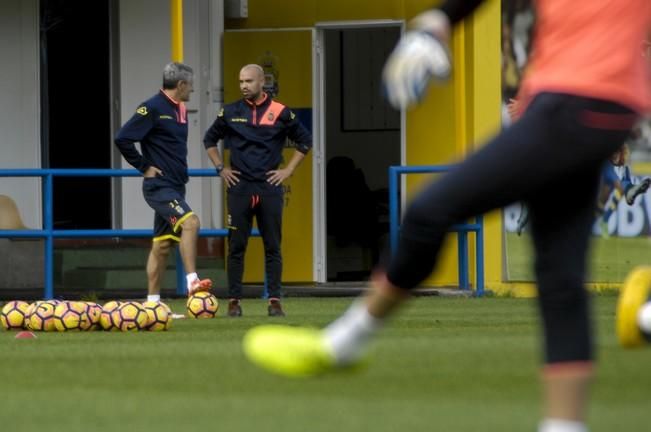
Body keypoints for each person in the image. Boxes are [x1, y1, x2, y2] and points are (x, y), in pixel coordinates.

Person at [242, 2, 651, 432]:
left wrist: (435, 24)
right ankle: (564, 425)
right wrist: (437, 23)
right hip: (587, 106)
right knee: (559, 273)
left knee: (428, 212)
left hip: (574, 104)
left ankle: (347, 341)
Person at [203, 64, 312, 317]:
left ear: (262, 82)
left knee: (272, 246)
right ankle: (233, 302)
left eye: (249, 81)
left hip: (269, 188)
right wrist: (221, 168)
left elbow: (305, 141)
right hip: (239, 188)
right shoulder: (229, 111)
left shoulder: (281, 112)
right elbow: (209, 140)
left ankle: (274, 300)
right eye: (241, 81)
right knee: (236, 247)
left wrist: (288, 171)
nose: (244, 86)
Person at [115, 62, 212, 302]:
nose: (192, 90)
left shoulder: (179, 109)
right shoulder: (152, 108)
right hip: (159, 187)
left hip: (176, 186)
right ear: (180, 85)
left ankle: (152, 303)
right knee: (191, 223)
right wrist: (143, 166)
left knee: (161, 245)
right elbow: (122, 138)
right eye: (190, 86)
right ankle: (193, 282)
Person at [596, 143, 651, 237]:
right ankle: (602, 214)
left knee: (619, 189)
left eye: (617, 153)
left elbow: (626, 175)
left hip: (612, 181)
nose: (615, 155)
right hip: (605, 172)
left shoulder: (624, 157)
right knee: (617, 185)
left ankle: (604, 218)